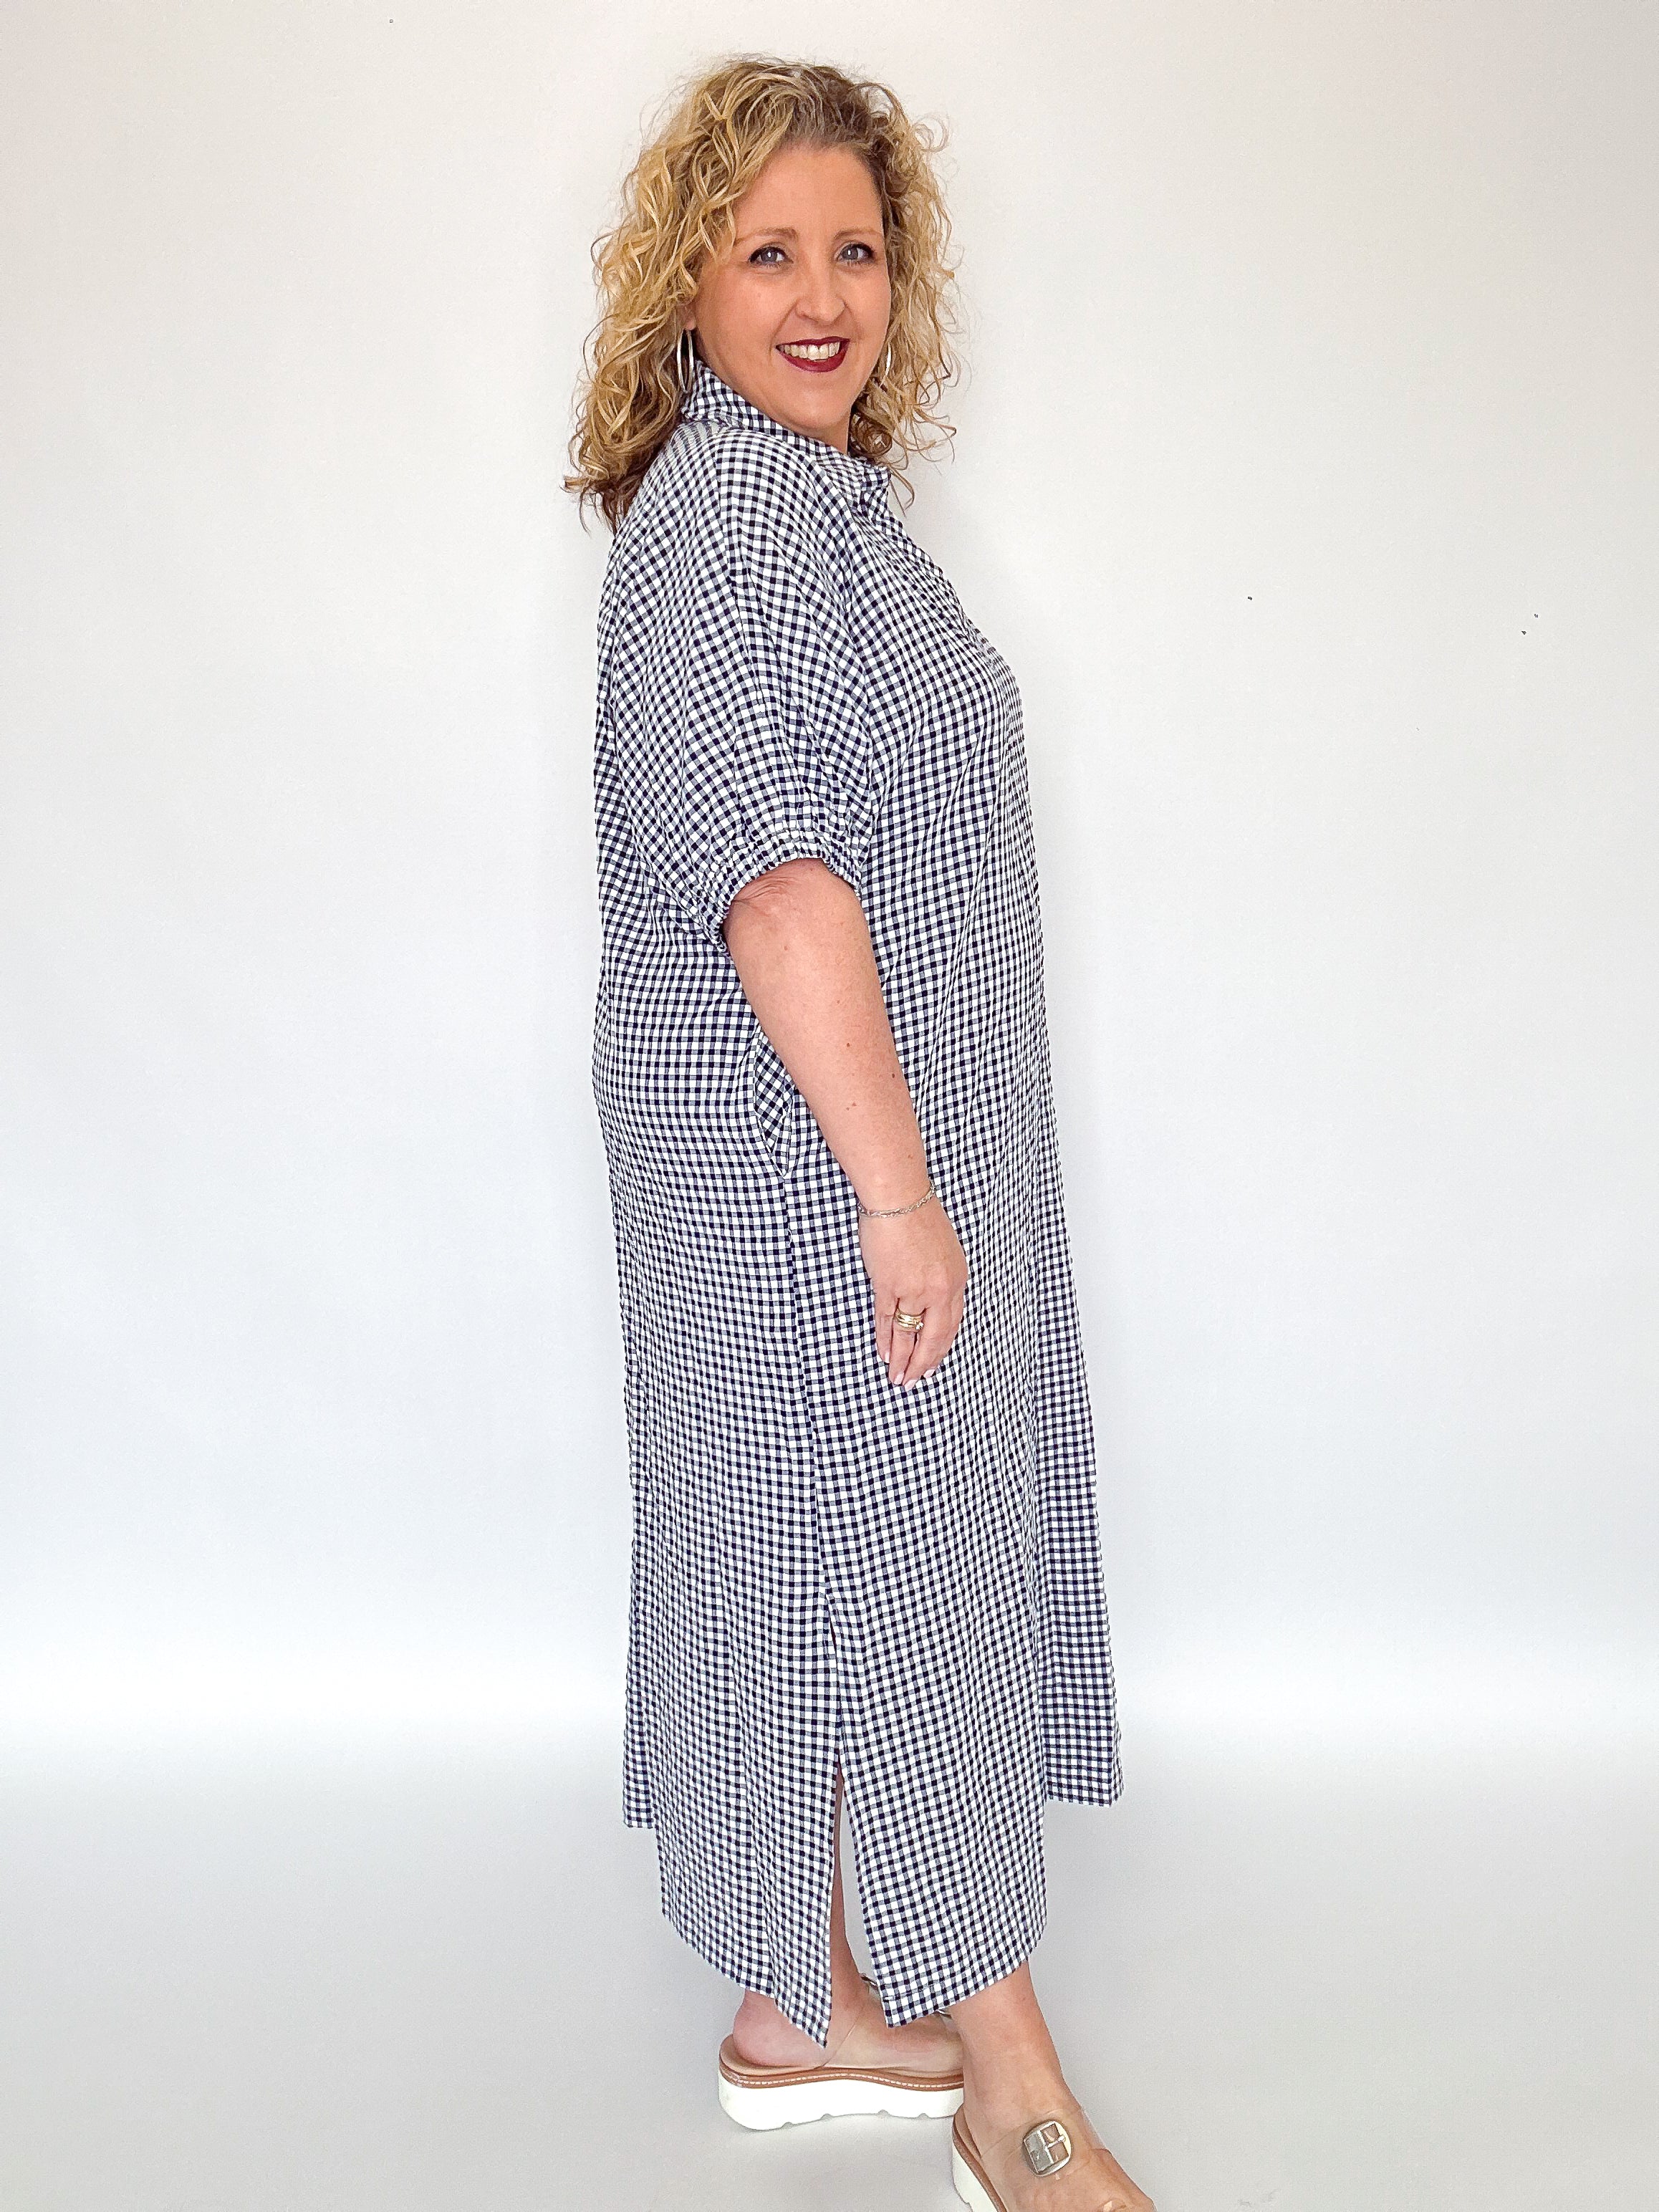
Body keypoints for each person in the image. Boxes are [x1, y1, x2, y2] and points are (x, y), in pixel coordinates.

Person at [567, 55, 1153, 2212]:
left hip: (854, 1156)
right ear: (687, 285)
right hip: (813, 1173)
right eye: (769, 254)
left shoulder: (809, 510)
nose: (823, 296)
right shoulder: (734, 527)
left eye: (859, 250)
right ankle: (1014, 2095)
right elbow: (783, 893)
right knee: (907, 1590)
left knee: (824, 1567)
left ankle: (801, 2012)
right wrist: (904, 1204)